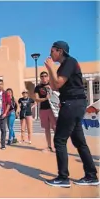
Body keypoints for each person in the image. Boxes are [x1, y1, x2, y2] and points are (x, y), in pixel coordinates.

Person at [44, 41, 99, 187]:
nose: (50, 54)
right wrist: (52, 70)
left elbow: (58, 84)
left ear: (60, 51)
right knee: (79, 141)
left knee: (59, 140)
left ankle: (63, 178)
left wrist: (50, 68)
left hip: (72, 104)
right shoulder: (65, 65)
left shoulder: (69, 62)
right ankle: (91, 175)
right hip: (75, 104)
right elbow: (55, 85)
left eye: (52, 51)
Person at [34, 71, 57, 152]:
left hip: (52, 109)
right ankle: (49, 146)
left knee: (55, 127)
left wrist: (51, 89)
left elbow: (58, 94)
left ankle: (57, 146)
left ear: (48, 77)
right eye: (42, 76)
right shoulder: (38, 87)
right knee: (46, 128)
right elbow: (36, 99)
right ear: (40, 78)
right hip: (43, 109)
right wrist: (45, 98)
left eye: (45, 76)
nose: (44, 77)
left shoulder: (52, 85)